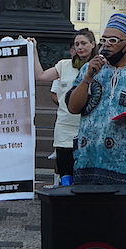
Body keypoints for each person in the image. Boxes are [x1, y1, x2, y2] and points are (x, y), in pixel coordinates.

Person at [66, 14, 126, 185]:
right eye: (104, 40)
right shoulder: (88, 69)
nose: (107, 45)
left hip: (124, 164)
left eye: (114, 40)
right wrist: (87, 78)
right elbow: (73, 108)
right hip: (87, 160)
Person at [30, 29, 97, 186]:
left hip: (89, 127)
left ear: (93, 44)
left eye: (84, 43)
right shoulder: (64, 65)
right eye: (77, 44)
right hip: (65, 127)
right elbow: (40, 76)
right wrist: (33, 50)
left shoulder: (101, 67)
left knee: (86, 174)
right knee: (65, 174)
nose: (80, 47)